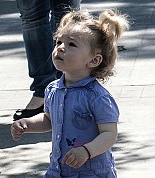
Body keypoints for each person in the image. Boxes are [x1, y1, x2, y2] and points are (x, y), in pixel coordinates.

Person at [11, 9, 129, 177]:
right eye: (59, 42)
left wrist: (87, 151)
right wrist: (28, 124)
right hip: (58, 169)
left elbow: (109, 134)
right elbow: (50, 119)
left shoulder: (97, 96)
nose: (60, 48)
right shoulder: (53, 89)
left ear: (94, 60)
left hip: (91, 171)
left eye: (71, 44)